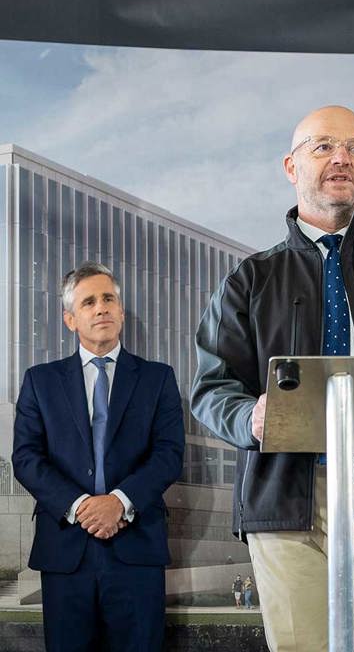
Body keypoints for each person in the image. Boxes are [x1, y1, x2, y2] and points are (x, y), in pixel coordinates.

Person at [192, 105, 354, 652]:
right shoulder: (251, 279)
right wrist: (252, 416)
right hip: (289, 504)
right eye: (323, 147)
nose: (342, 158)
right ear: (291, 167)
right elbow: (211, 388)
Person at [12, 262, 185, 652]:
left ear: (121, 311)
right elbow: (25, 457)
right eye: (89, 302)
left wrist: (119, 504)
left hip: (136, 545)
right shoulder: (40, 381)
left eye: (109, 298)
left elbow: (169, 454)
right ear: (70, 319)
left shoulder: (158, 378)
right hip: (66, 549)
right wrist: (81, 506)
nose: (101, 308)